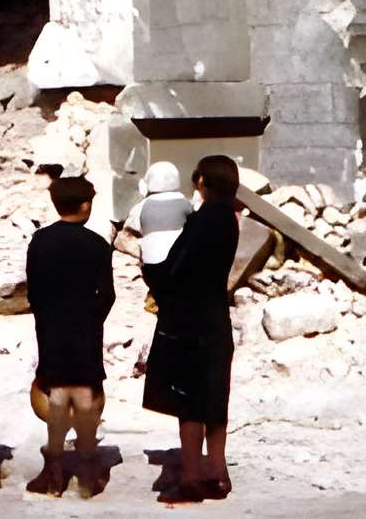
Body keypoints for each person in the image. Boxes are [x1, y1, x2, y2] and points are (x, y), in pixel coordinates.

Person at [142, 153, 241, 503]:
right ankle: (217, 472)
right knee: (215, 398)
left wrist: (151, 274)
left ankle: (191, 477)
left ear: (202, 182)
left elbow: (177, 268)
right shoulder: (228, 218)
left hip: (189, 321)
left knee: (190, 402)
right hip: (215, 318)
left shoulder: (203, 220)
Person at [24, 173, 115, 496]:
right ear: (86, 204)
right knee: (87, 399)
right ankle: (88, 472)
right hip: (86, 333)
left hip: (51, 332)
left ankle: (53, 471)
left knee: (54, 394)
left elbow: (33, 291)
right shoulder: (98, 245)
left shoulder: (40, 241)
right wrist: (91, 319)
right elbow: (107, 295)